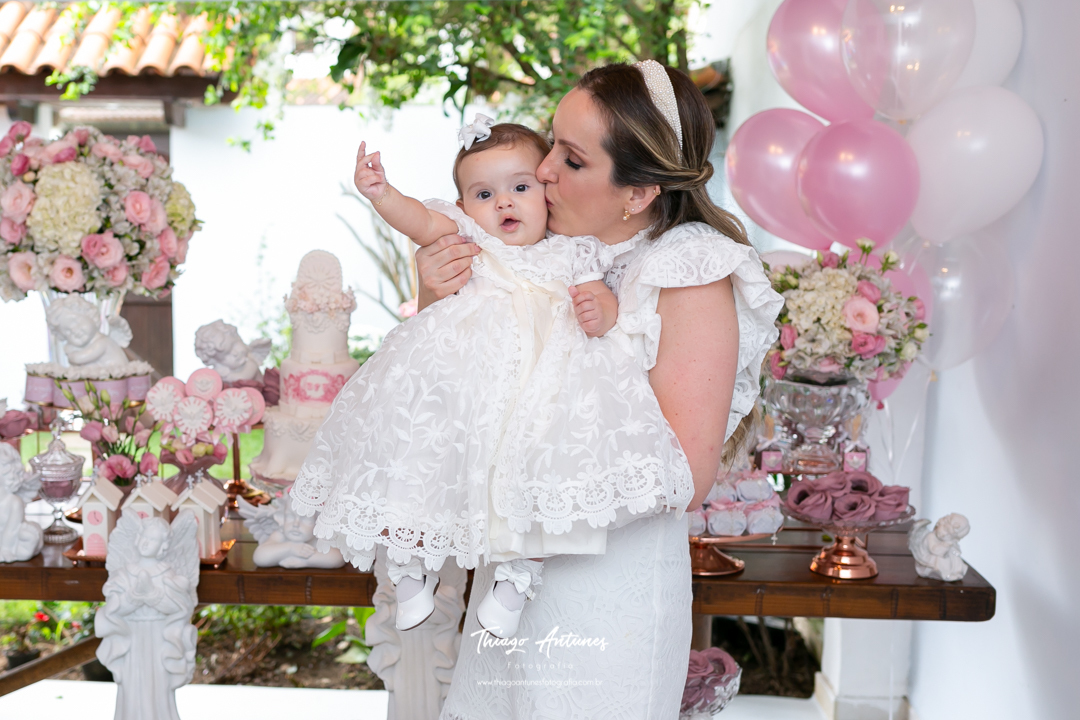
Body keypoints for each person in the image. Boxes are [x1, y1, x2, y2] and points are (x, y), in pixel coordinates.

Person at [420, 61, 783, 719]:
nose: (545, 169)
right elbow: (452, 402)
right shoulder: (540, 253)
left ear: (637, 194)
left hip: (611, 591)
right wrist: (436, 296)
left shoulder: (687, 269)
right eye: (551, 141)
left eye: (573, 160)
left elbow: (688, 473)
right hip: (513, 581)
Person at [291, 115, 693, 639]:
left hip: (545, 386)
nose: (503, 203)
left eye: (520, 188)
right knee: (424, 458)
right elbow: (417, 220)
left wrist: (602, 310)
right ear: (463, 209)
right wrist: (380, 192)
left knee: (545, 472)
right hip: (469, 379)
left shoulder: (574, 249)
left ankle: (517, 577)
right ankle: (409, 571)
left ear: (546, 194)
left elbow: (601, 300)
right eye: (484, 194)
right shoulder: (471, 239)